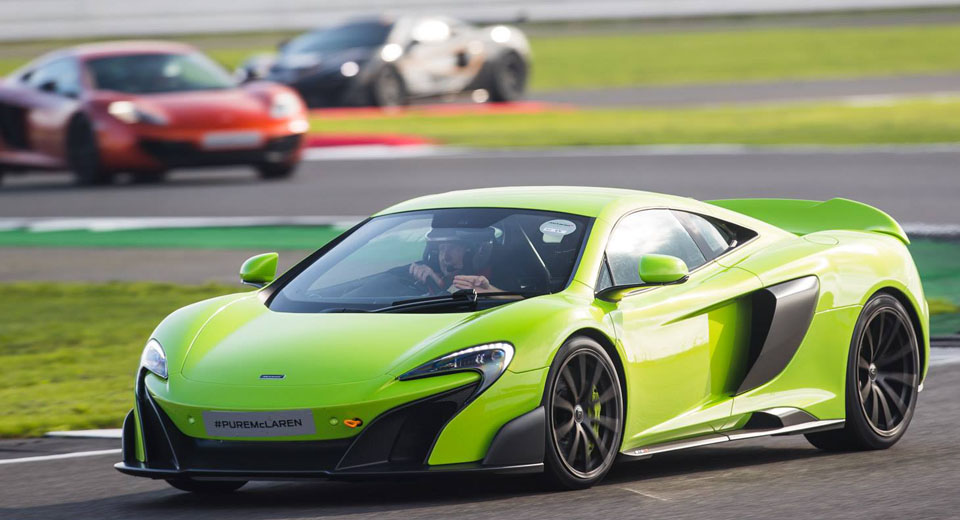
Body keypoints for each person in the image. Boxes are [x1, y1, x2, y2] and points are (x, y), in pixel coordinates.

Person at [408, 228, 502, 294]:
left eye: (453, 248)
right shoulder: (435, 277)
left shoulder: (497, 280)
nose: (445, 257)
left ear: (473, 253)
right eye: (442, 249)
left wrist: (490, 292)